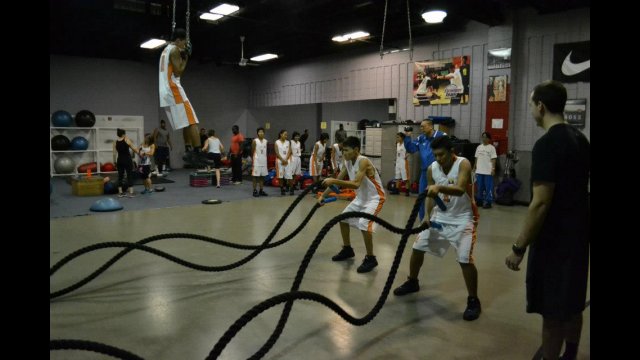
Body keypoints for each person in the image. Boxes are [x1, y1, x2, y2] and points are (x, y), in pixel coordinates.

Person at [505, 80, 590, 360]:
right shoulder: (582, 140)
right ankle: (571, 354)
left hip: (554, 243)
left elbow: (540, 203)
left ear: (540, 106)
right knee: (573, 303)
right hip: (578, 239)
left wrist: (519, 248)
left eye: (531, 105)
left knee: (552, 315)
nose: (531, 110)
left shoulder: (546, 145)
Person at [393, 135, 481, 321]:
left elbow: (459, 189)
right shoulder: (433, 169)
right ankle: (413, 281)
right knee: (417, 248)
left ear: (451, 152)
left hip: (463, 218)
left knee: (465, 259)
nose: (438, 159)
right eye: (435, 155)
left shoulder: (463, 164)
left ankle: (473, 300)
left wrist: (438, 188)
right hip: (440, 216)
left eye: (441, 155)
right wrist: (426, 215)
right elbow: (431, 196)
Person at [319, 136, 386, 273]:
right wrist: (322, 196)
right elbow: (337, 179)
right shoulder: (348, 162)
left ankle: (371, 258)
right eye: (343, 151)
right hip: (361, 198)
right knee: (342, 219)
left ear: (356, 150)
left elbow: (355, 184)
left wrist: (334, 182)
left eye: (347, 151)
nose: (344, 154)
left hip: (375, 198)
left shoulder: (363, 161)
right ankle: (348, 249)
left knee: (364, 224)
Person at [158, 28, 203, 166]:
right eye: (184, 42)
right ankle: (197, 153)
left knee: (185, 121)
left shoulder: (165, 50)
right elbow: (178, 72)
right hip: (173, 88)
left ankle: (188, 149)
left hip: (165, 90)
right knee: (192, 120)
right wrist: (186, 57)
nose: (184, 45)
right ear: (178, 40)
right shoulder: (175, 50)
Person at [404, 119, 446, 220]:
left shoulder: (441, 136)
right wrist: (408, 137)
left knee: (438, 196)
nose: (421, 128)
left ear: (431, 126)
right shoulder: (421, 138)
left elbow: (449, 151)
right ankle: (423, 220)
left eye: (423, 126)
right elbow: (411, 149)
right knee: (422, 197)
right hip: (424, 173)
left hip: (439, 172)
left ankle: (440, 218)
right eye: (420, 126)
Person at [113, 128, 140, 198]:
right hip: (127, 160)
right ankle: (131, 193)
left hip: (120, 160)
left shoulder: (115, 142)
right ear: (123, 134)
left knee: (120, 176)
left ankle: (120, 193)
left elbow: (114, 154)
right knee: (129, 175)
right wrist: (140, 154)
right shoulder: (127, 140)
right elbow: (134, 149)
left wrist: (114, 162)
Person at [473, 132, 497, 208]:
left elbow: (493, 159)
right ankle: (479, 201)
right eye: (483, 137)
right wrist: (474, 167)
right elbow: (476, 158)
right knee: (479, 187)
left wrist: (493, 169)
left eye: (486, 137)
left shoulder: (492, 148)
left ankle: (488, 202)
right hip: (479, 171)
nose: (484, 138)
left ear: (489, 139)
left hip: (488, 172)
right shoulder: (479, 147)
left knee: (488, 187)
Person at [251, 127, 269, 197]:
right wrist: (255, 158)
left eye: (262, 132)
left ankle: (261, 190)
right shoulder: (255, 141)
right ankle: (254, 190)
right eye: (259, 132)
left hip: (263, 161)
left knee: (262, 177)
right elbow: (252, 150)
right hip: (257, 161)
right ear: (257, 133)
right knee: (255, 177)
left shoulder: (266, 141)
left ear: (264, 133)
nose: (261, 133)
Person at [275, 129, 293, 195]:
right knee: (280, 176)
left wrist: (286, 159)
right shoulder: (276, 142)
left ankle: (291, 189)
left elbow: (289, 151)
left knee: (289, 176)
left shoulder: (288, 142)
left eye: (286, 135)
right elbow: (276, 152)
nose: (286, 136)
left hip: (287, 161)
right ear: (281, 134)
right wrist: (282, 160)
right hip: (279, 161)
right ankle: (282, 189)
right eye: (285, 134)